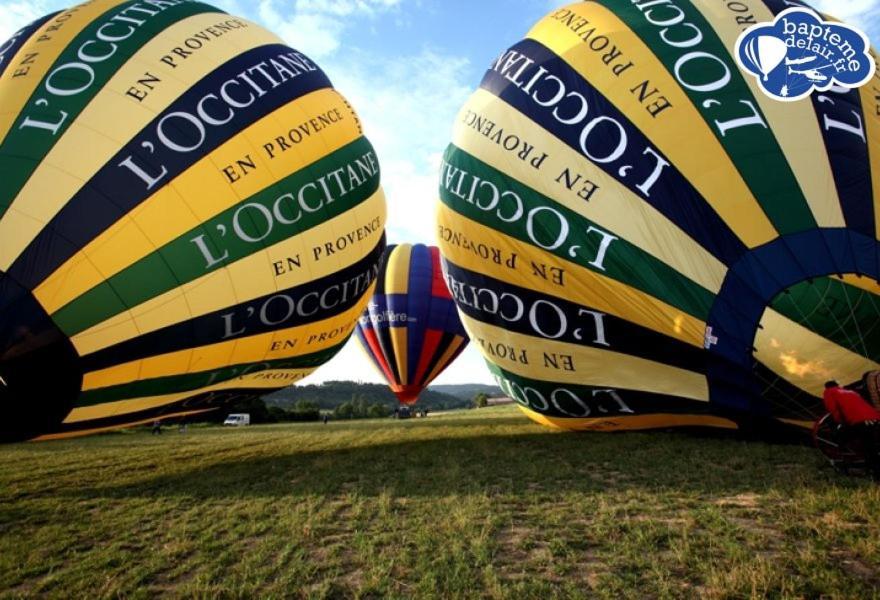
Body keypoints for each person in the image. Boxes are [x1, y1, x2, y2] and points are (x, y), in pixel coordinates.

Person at [823, 381, 880, 480]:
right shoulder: (849, 391)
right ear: (838, 385)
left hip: (861, 421)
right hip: (875, 417)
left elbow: (832, 409)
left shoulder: (829, 392)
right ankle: (873, 469)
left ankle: (873, 472)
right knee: (871, 445)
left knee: (843, 439)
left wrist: (839, 422)